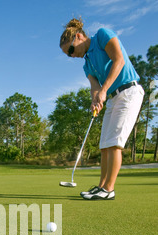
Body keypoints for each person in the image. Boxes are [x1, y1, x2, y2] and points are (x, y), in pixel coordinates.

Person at [60, 18, 144, 200]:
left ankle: (109, 189)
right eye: (68, 55)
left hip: (129, 91)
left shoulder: (102, 36)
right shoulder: (87, 64)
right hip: (113, 98)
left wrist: (104, 90)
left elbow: (119, 60)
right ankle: (101, 187)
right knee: (104, 145)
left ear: (79, 36)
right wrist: (95, 100)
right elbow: (94, 87)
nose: (72, 56)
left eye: (71, 50)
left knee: (114, 143)